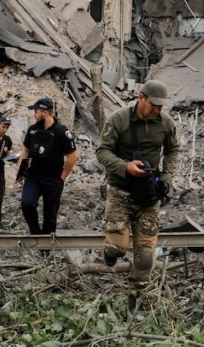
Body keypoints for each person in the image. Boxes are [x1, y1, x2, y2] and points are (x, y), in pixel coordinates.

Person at [95, 80, 181, 290]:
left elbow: (173, 150)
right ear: (141, 98)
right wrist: (126, 167)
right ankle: (109, 253)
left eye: (161, 106)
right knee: (117, 248)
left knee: (145, 258)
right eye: (154, 105)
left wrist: (167, 178)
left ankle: (137, 294)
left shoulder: (166, 123)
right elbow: (102, 152)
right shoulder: (119, 119)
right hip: (120, 191)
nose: (157, 110)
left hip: (149, 195)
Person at [16, 98, 77, 236]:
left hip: (53, 179)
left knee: (50, 216)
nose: (34, 115)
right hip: (34, 177)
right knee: (27, 204)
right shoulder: (33, 130)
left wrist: (61, 178)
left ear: (44, 112)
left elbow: (72, 157)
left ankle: (46, 248)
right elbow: (25, 150)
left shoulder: (61, 132)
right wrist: (20, 173)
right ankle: (36, 234)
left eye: (36, 112)